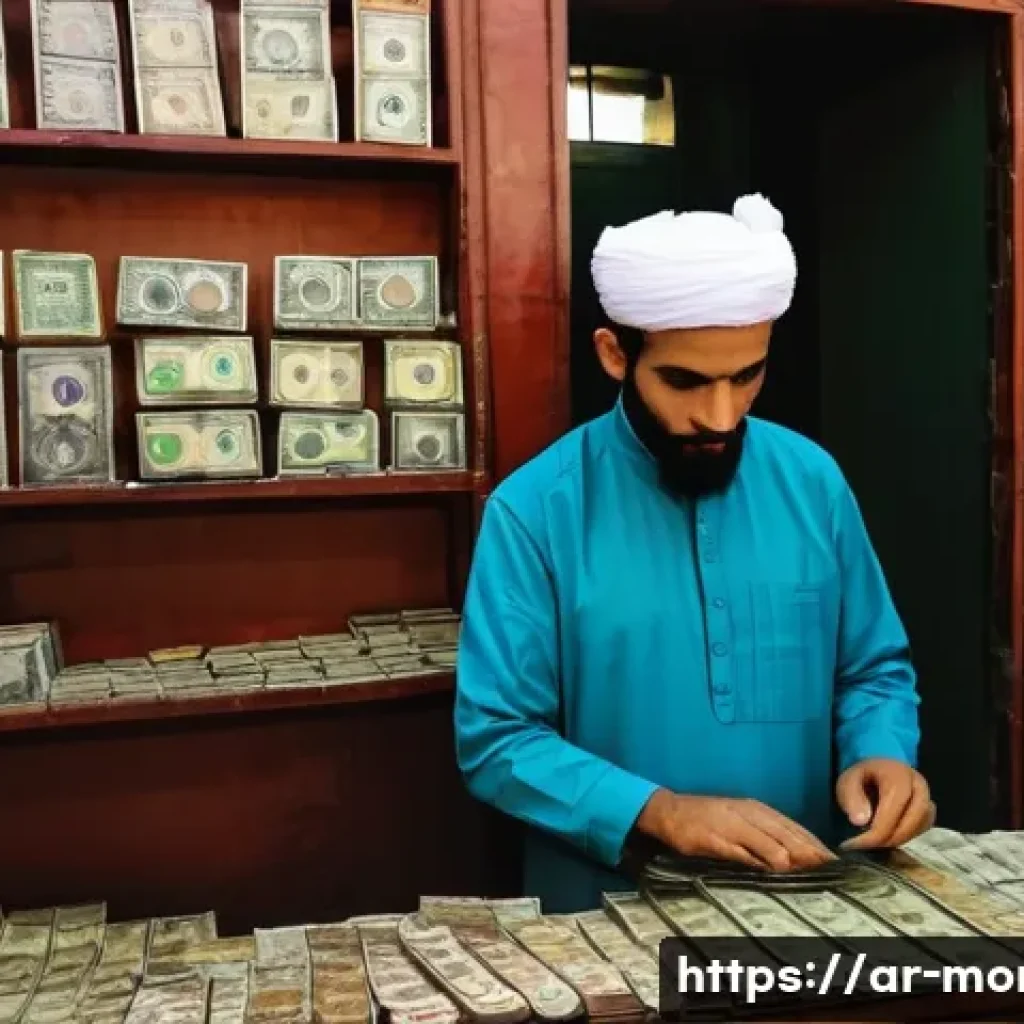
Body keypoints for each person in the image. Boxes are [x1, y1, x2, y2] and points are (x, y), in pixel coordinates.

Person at [453, 194, 935, 913]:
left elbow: (871, 667)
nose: (720, 415)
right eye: (685, 381)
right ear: (616, 355)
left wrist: (883, 753)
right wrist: (661, 813)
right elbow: (497, 741)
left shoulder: (813, 482)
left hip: (807, 897)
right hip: (610, 911)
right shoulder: (536, 512)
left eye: (747, 376)